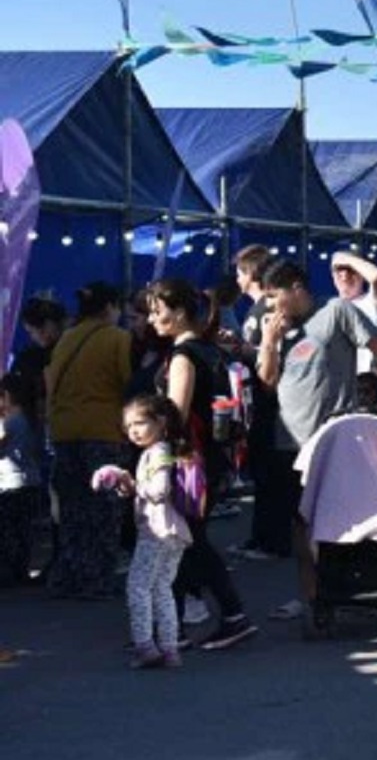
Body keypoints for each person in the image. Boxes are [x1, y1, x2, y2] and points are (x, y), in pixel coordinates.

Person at [255, 259, 377, 619]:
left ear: (296, 288)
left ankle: (353, 585)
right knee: (300, 523)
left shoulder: (336, 311)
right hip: (289, 438)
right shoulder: (278, 326)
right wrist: (269, 342)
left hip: (333, 435)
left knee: (338, 517)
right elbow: (266, 382)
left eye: (275, 296)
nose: (271, 305)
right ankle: (311, 595)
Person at [146, 279, 257, 651]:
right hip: (210, 456)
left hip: (187, 459)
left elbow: (175, 413)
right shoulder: (210, 350)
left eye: (157, 311)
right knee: (184, 541)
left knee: (182, 540)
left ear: (178, 313)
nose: (151, 319)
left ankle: (224, 615)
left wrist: (154, 447)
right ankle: (177, 624)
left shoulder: (184, 356)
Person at [44, 281, 133, 599]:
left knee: (72, 511)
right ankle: (97, 580)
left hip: (64, 432)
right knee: (103, 511)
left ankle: (68, 575)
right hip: (102, 431)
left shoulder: (67, 338)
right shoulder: (118, 338)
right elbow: (128, 382)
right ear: (110, 307)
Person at [116, 395, 194, 668]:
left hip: (157, 530)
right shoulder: (166, 448)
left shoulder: (156, 452)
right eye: (128, 426)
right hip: (174, 531)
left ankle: (145, 646)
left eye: (140, 423)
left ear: (160, 423)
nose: (133, 431)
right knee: (162, 588)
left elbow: (159, 491)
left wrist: (134, 484)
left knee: (138, 587)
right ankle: (170, 647)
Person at [230, 245, 288, 561]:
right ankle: (259, 536)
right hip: (258, 400)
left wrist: (243, 349)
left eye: (240, 272)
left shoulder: (268, 309)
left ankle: (273, 540)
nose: (237, 279)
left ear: (251, 273)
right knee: (262, 472)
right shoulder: (256, 309)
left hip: (270, 401)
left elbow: (270, 353)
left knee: (271, 474)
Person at [0, 374, 47, 583]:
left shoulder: (10, 422)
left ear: (7, 396)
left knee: (9, 532)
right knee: (25, 530)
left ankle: (9, 572)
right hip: (32, 481)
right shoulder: (33, 420)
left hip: (11, 483)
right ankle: (21, 569)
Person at [14, 296, 66, 435]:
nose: (32, 337)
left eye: (31, 331)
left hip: (47, 425)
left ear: (48, 325)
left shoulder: (30, 357)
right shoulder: (73, 347)